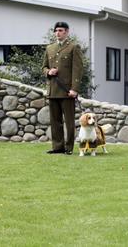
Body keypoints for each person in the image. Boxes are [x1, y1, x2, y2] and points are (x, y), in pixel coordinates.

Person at [42, 22, 83, 155]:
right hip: (53, 90)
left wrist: (74, 89)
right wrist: (48, 72)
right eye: (56, 31)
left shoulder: (73, 47)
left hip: (67, 91)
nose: (57, 33)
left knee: (69, 122)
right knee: (55, 121)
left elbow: (77, 70)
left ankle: (69, 147)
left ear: (66, 32)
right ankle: (57, 147)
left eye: (60, 30)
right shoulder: (49, 48)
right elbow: (43, 67)